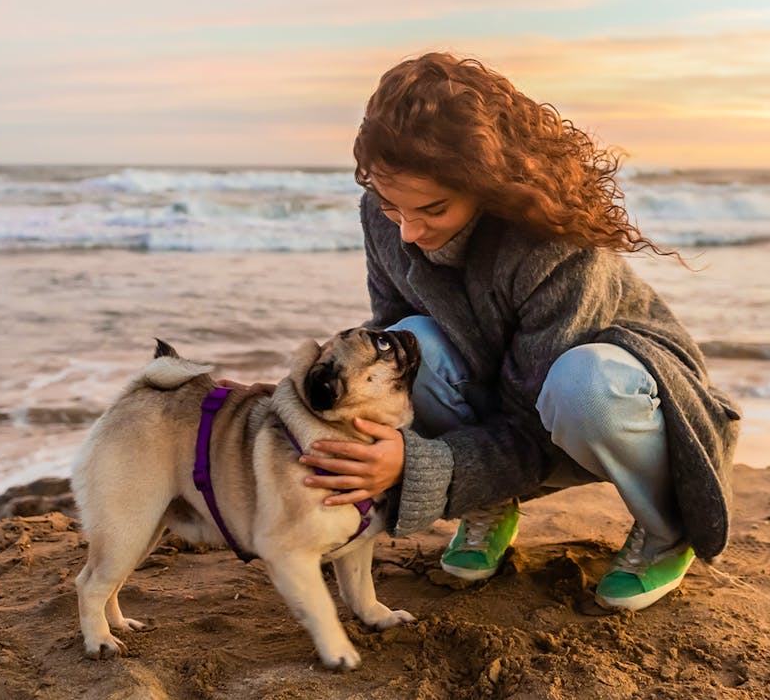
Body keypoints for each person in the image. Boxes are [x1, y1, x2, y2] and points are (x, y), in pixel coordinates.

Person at [299, 52, 740, 611]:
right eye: (391, 207)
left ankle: (665, 528)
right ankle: (487, 507)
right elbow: (388, 338)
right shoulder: (385, 215)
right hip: (507, 403)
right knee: (408, 344)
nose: (408, 231)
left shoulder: (555, 241)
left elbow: (531, 427)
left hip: (614, 405)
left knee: (582, 385)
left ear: (486, 182)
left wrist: (416, 464)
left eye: (433, 208)